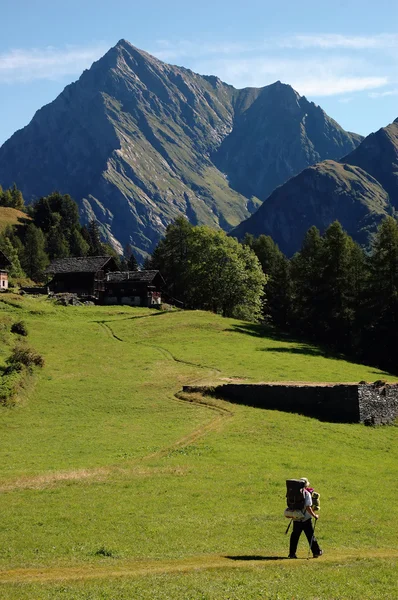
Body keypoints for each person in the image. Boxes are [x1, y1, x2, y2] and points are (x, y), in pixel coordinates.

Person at [288, 477, 323, 559]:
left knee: (295, 536)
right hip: (306, 519)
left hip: (296, 518)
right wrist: (315, 515)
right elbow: (308, 507)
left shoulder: (294, 494)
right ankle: (316, 552)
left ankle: (292, 554)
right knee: (310, 536)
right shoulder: (306, 494)